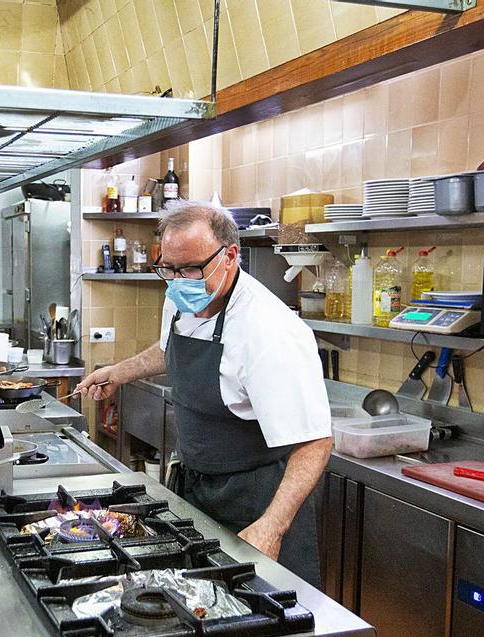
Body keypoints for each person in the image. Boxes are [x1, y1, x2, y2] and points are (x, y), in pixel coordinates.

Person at [77, 202, 332, 586]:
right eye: (170, 269)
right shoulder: (181, 296)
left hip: (255, 500)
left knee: (257, 621)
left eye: (192, 269)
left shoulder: (270, 330)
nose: (180, 281)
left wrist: (272, 527)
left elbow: (315, 442)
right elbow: (167, 348)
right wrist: (120, 371)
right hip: (196, 488)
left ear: (230, 255)